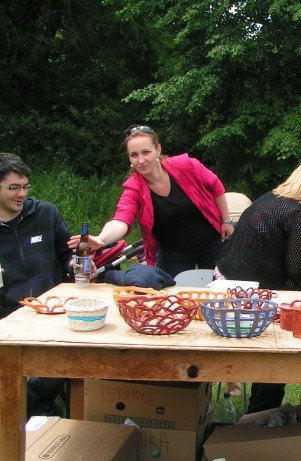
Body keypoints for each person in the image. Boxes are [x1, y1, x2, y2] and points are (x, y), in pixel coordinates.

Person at [216, 158, 301, 413]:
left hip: (225, 283)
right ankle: (260, 417)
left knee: (256, 355)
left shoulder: (270, 199)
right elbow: (297, 271)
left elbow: (278, 244)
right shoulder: (299, 215)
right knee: (276, 357)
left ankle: (255, 414)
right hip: (251, 296)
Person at [68, 125, 234, 278]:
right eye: (134, 155)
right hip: (173, 252)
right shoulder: (133, 187)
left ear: (158, 149)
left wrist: (226, 220)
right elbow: (121, 219)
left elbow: (215, 185)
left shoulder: (185, 165)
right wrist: (101, 240)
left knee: (222, 290)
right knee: (170, 295)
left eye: (146, 152)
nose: (140, 160)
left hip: (212, 242)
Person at [0, 152, 73, 420]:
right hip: (7, 316)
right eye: (13, 188)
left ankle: (27, 408)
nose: (21, 194)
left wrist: (76, 265)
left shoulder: (45, 213)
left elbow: (68, 254)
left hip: (52, 312)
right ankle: (37, 411)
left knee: (62, 362)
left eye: (25, 187)